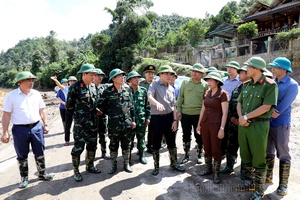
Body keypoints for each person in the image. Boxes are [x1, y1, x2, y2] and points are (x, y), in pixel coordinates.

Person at [233, 57, 278, 200]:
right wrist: (241, 118)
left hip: (258, 125)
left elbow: (266, 107)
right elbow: (239, 103)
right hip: (244, 126)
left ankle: (259, 190)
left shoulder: (269, 85)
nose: (246, 69)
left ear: (257, 68)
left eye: (248, 67)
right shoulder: (246, 85)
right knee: (245, 156)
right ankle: (249, 183)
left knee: (259, 158)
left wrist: (246, 118)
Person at [1, 71, 54, 189]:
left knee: (40, 151)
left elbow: (42, 110)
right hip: (20, 129)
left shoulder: (36, 94)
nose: (31, 82)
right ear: (20, 82)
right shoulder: (11, 96)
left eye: (32, 80)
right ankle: (24, 178)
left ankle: (42, 173)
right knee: (22, 154)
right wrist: (5, 132)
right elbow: (6, 115)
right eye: (28, 80)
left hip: (36, 127)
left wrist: (45, 124)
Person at [266, 57, 298, 196]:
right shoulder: (272, 82)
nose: (272, 69)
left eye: (275, 67)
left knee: (283, 152)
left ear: (284, 69)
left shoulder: (292, 85)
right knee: (268, 150)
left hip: (281, 123)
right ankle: (268, 176)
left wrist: (273, 112)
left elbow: (285, 105)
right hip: (268, 122)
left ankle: (283, 184)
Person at [66, 63, 101, 182]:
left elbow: (94, 103)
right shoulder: (75, 87)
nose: (93, 77)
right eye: (91, 75)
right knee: (78, 148)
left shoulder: (92, 86)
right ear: (84, 74)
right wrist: (79, 117)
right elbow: (69, 106)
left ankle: (90, 166)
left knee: (92, 146)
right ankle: (76, 171)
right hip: (81, 125)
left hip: (93, 123)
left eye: (94, 75)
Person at [97, 68, 136, 174]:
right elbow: (100, 106)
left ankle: (126, 163)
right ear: (113, 79)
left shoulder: (128, 89)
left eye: (123, 76)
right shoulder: (108, 91)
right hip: (114, 125)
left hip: (127, 123)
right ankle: (113, 164)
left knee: (126, 144)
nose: (123, 77)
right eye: (120, 76)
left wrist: (133, 121)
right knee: (113, 145)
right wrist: (111, 113)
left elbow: (132, 107)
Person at [147, 65, 185, 175]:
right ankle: (156, 166)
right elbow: (149, 96)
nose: (170, 76)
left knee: (171, 142)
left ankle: (174, 163)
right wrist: (157, 103)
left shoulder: (171, 88)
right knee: (156, 143)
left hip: (169, 118)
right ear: (161, 74)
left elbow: (173, 106)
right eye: (167, 74)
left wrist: (174, 120)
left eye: (171, 74)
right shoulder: (154, 85)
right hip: (157, 118)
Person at [196, 71, 229, 184]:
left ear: (217, 81)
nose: (209, 82)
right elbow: (203, 109)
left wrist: (222, 128)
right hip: (205, 124)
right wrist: (199, 124)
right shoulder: (207, 93)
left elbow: (225, 113)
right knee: (207, 147)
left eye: (211, 80)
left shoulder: (223, 94)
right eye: (208, 80)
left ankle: (216, 173)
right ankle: (208, 168)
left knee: (216, 148)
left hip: (216, 125)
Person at [220, 66, 250, 176]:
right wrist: (231, 118)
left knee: (245, 149)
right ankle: (229, 166)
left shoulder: (251, 88)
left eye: (242, 73)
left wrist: (241, 119)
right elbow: (232, 104)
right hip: (233, 123)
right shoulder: (237, 88)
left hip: (246, 124)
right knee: (231, 145)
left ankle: (244, 172)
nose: (239, 74)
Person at [176, 63, 208, 165]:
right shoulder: (185, 83)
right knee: (186, 135)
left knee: (199, 135)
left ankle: (199, 154)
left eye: (197, 72)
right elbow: (180, 97)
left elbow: (206, 101)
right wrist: (179, 111)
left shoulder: (205, 85)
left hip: (198, 115)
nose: (194, 73)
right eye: (193, 71)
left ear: (201, 74)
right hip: (185, 114)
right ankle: (186, 154)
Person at [127, 70, 151, 164]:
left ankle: (142, 155)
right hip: (130, 122)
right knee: (129, 141)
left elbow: (147, 106)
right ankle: (128, 158)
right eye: (135, 78)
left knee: (141, 140)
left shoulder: (143, 91)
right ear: (130, 80)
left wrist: (148, 117)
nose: (137, 80)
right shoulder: (126, 91)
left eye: (138, 78)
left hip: (141, 120)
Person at [51, 75, 77, 146]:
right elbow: (59, 85)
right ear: (68, 82)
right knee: (67, 125)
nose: (72, 82)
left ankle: (77, 139)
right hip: (68, 109)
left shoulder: (79, 88)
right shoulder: (66, 88)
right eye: (71, 81)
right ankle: (67, 140)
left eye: (74, 81)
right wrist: (55, 80)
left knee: (77, 125)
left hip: (76, 109)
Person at [94, 68, 110, 160]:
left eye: (101, 75)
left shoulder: (104, 88)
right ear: (94, 76)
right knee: (92, 137)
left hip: (102, 116)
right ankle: (91, 156)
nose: (100, 77)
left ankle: (104, 152)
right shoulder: (89, 87)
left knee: (103, 135)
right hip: (92, 117)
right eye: (98, 75)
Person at [140, 65, 156, 154]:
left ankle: (150, 146)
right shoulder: (141, 84)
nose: (151, 75)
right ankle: (140, 147)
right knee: (141, 130)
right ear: (145, 74)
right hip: (143, 110)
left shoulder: (157, 84)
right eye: (149, 73)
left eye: (153, 73)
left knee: (152, 130)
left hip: (153, 110)